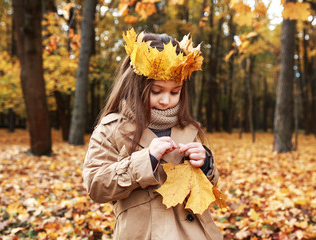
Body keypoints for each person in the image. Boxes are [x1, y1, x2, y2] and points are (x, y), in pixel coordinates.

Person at [82, 28, 223, 240]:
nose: (166, 100)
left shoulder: (187, 127)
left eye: (175, 92)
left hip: (193, 233)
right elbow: (96, 186)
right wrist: (145, 161)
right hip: (143, 234)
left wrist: (206, 164)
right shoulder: (112, 129)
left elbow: (206, 187)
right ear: (135, 85)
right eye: (156, 91)